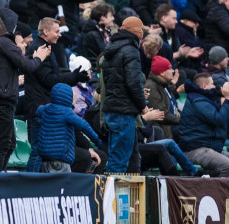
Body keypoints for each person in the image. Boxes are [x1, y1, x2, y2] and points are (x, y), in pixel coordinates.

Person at [0, 8, 51, 171]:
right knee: (3, 144)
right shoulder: (3, 42)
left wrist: (33, 57)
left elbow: (17, 61)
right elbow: (28, 67)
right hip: (0, 99)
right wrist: (39, 58)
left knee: (9, 143)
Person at [25, 17, 91, 172]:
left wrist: (74, 75)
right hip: (38, 108)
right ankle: (29, 184)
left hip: (42, 106)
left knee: (41, 151)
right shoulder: (39, 49)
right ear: (46, 31)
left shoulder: (46, 47)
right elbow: (49, 79)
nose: (59, 34)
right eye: (56, 31)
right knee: (38, 150)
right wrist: (75, 77)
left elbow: (53, 75)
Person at [100, 16, 156, 173]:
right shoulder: (130, 50)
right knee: (119, 161)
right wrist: (143, 107)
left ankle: (129, 197)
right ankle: (113, 197)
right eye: (141, 31)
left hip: (113, 109)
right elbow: (133, 82)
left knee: (129, 158)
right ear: (136, 32)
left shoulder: (112, 48)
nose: (143, 35)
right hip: (123, 112)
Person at [175, 73, 229, 177]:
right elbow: (219, 119)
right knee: (226, 164)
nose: (214, 87)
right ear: (204, 86)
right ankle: (215, 191)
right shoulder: (197, 100)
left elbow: (224, 122)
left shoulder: (206, 99)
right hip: (194, 149)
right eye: (212, 84)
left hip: (209, 147)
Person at [36, 83, 101, 173]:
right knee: (62, 185)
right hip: (61, 158)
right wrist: (97, 140)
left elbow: (38, 111)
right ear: (68, 97)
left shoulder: (46, 109)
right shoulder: (67, 112)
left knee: (49, 185)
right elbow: (84, 126)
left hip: (45, 158)